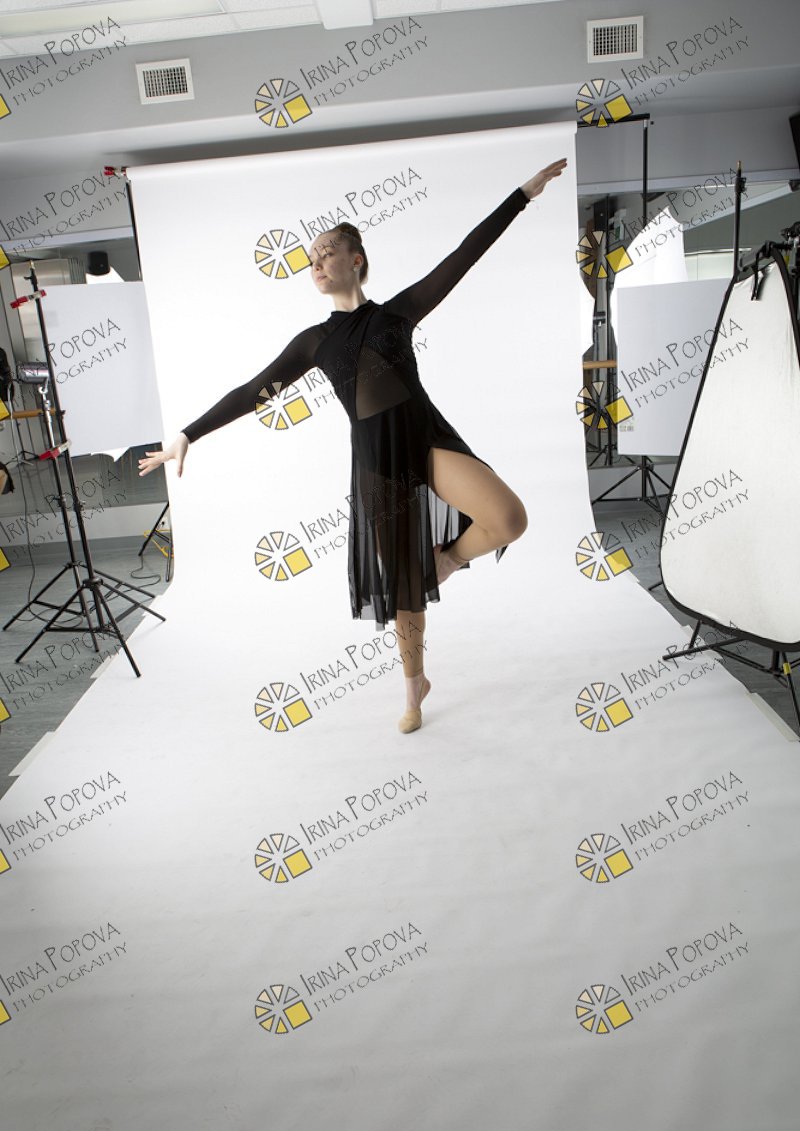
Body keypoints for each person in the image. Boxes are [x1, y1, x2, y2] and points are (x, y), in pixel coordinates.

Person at [139, 158, 567, 733]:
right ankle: (414, 688)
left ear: (356, 259)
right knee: (404, 592)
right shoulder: (314, 342)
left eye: (326, 253)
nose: (315, 264)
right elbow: (252, 391)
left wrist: (522, 195)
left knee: (509, 518)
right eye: (310, 260)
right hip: (377, 465)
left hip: (425, 441)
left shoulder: (397, 314)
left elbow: (463, 257)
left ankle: (447, 559)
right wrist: (187, 434)